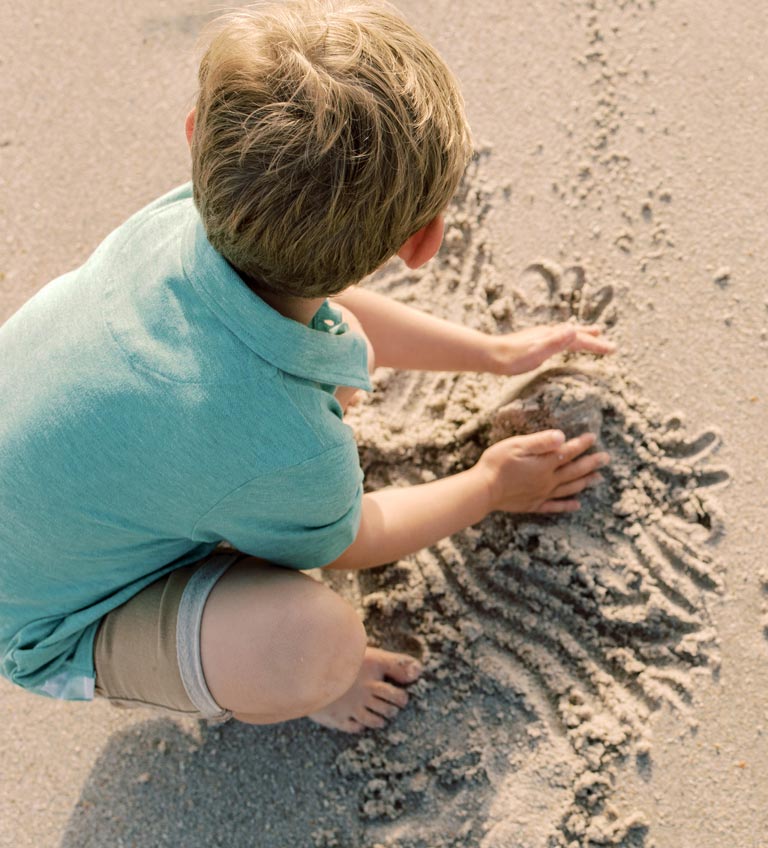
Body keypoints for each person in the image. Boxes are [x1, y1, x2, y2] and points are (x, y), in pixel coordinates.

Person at [0, 0, 613, 733]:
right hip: (41, 620)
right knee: (317, 644)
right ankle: (285, 679)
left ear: (198, 140)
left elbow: (313, 292)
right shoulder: (282, 441)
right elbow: (356, 539)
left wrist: (491, 353)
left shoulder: (175, 223)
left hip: (51, 485)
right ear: (423, 245)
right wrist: (487, 487)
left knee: (335, 338)